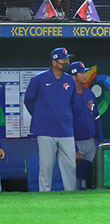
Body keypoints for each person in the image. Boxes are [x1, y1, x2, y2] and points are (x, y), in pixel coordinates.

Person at [24, 47, 77, 192]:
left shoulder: (70, 81)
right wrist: (40, 116)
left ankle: (71, 194)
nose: (67, 62)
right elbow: (28, 100)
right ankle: (44, 194)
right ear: (54, 62)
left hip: (66, 130)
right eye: (64, 59)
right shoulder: (39, 80)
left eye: (68, 59)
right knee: (46, 166)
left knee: (70, 165)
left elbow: (72, 103)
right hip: (45, 130)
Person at [69, 61, 103, 190]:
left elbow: (97, 119)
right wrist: (75, 148)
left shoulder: (89, 94)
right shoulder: (68, 96)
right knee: (75, 180)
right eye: (82, 72)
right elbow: (67, 125)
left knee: (89, 178)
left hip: (90, 142)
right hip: (75, 141)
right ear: (74, 76)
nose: (85, 75)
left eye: (85, 72)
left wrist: (101, 141)